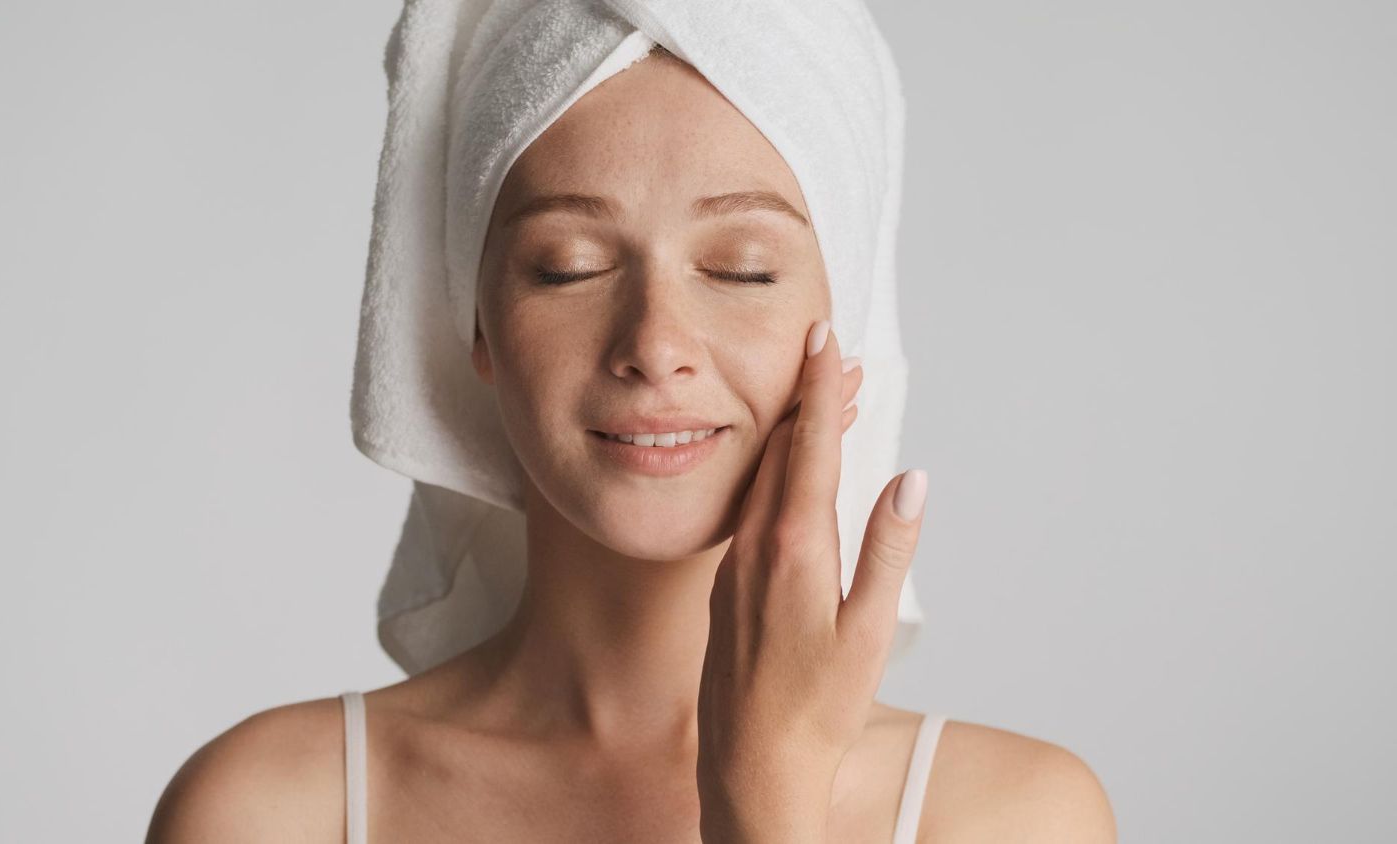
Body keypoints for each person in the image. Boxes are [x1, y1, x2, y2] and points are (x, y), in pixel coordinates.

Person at [147, 35, 1115, 844]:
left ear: (842, 319)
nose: (654, 346)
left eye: (742, 270)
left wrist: (767, 800)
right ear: (475, 324)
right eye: (567, 267)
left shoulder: (1013, 817)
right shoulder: (269, 811)